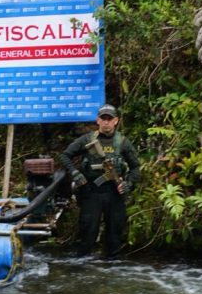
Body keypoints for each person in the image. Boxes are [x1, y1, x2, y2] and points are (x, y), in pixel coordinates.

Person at [58, 104, 141, 258]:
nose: (106, 122)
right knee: (87, 234)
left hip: (115, 194)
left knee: (115, 236)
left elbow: (135, 167)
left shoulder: (122, 142)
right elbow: (64, 156)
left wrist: (127, 184)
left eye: (110, 119)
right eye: (103, 119)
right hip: (91, 192)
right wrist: (76, 173)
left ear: (116, 121)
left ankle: (112, 270)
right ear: (98, 120)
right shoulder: (87, 139)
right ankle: (83, 269)